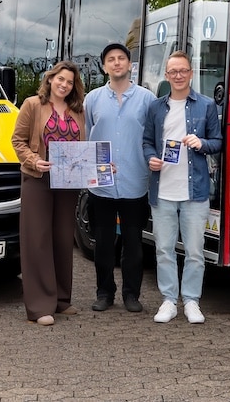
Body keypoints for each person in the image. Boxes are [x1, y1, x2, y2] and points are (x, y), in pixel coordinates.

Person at [142, 51, 222, 324]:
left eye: (182, 71)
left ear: (191, 73)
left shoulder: (207, 105)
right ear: (166, 76)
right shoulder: (155, 107)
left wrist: (202, 144)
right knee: (163, 249)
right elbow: (146, 142)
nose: (178, 75)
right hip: (162, 189)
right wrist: (150, 158)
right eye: (172, 71)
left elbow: (218, 142)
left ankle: (191, 301)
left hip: (195, 191)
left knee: (195, 251)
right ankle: (168, 301)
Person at [11, 60, 86, 326]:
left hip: (67, 182)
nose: (64, 85)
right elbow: (17, 141)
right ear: (51, 79)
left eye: (69, 82)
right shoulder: (33, 104)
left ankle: (61, 300)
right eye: (60, 79)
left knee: (63, 239)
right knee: (38, 240)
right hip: (39, 180)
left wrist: (99, 166)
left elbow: (84, 146)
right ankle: (40, 306)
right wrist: (33, 160)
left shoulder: (78, 110)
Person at [84, 42, 156, 314]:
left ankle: (131, 294)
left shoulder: (146, 99)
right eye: (111, 59)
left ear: (129, 65)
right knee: (102, 244)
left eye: (121, 58)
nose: (116, 63)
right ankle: (104, 293)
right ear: (105, 66)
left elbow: (150, 135)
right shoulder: (92, 99)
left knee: (133, 243)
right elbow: (89, 135)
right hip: (101, 185)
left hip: (135, 181)